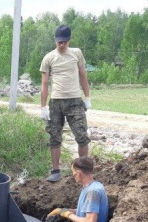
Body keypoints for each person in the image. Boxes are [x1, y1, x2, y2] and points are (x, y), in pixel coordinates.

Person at [40, 25, 92, 182]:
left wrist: (87, 97)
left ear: (69, 40)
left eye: (64, 42)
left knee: (81, 135)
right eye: (58, 42)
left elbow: (83, 76)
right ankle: (55, 171)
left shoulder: (76, 53)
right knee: (55, 136)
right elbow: (44, 84)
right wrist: (43, 106)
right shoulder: (49, 58)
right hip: (56, 102)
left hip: (74, 101)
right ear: (55, 41)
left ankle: (83, 171)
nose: (61, 44)